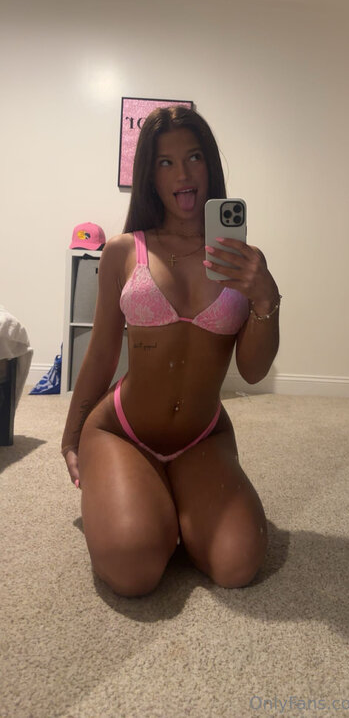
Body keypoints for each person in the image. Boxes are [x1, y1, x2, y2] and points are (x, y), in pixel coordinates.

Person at [61, 106, 281, 597]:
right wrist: (71, 436)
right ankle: (139, 499)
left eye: (194, 157)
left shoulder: (243, 262)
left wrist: (266, 298)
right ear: (150, 176)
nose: (182, 173)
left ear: (210, 165)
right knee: (133, 569)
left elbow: (252, 370)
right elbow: (101, 354)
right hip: (123, 431)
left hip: (201, 436)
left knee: (238, 564)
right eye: (165, 162)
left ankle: (167, 498)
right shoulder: (124, 251)